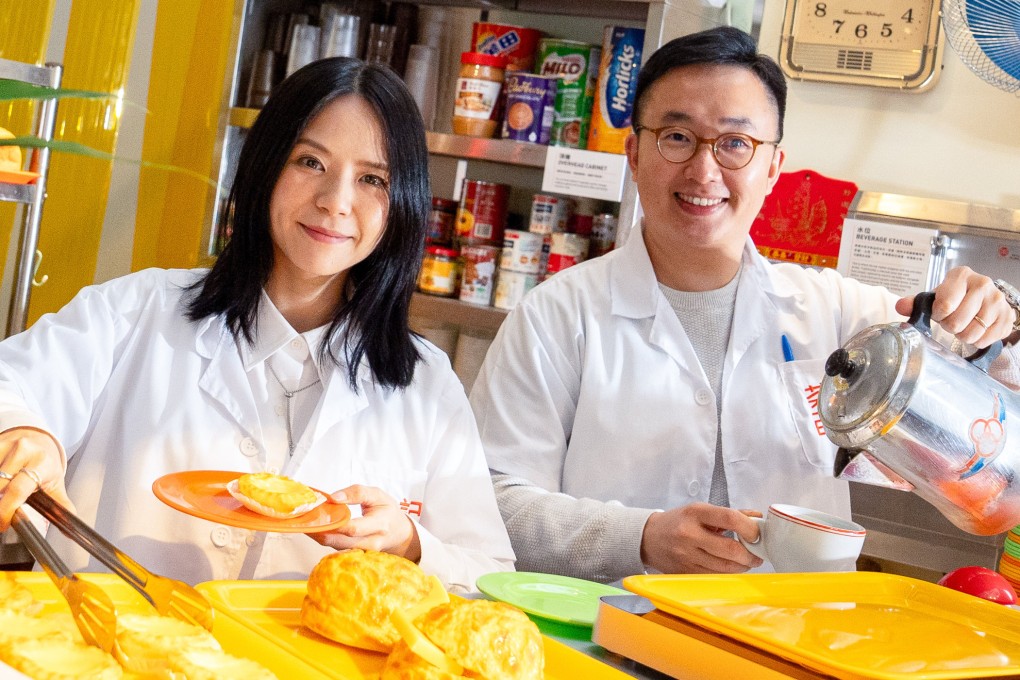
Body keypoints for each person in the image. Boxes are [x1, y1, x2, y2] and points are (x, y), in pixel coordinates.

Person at [469, 26, 1020, 583]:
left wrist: (996, 320)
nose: (704, 170)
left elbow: (997, 409)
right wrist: (639, 537)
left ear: (773, 167)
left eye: (735, 143)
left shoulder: (838, 313)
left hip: (794, 629)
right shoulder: (556, 316)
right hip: (611, 624)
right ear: (634, 154)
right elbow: (491, 500)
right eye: (677, 136)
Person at [0, 57, 514, 591]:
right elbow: (10, 384)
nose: (335, 202)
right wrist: (25, 432)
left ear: (403, 202)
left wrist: (412, 545)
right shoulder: (136, 311)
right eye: (311, 162)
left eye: (371, 179)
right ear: (265, 166)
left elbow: (491, 577)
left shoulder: (426, 384)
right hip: (100, 641)